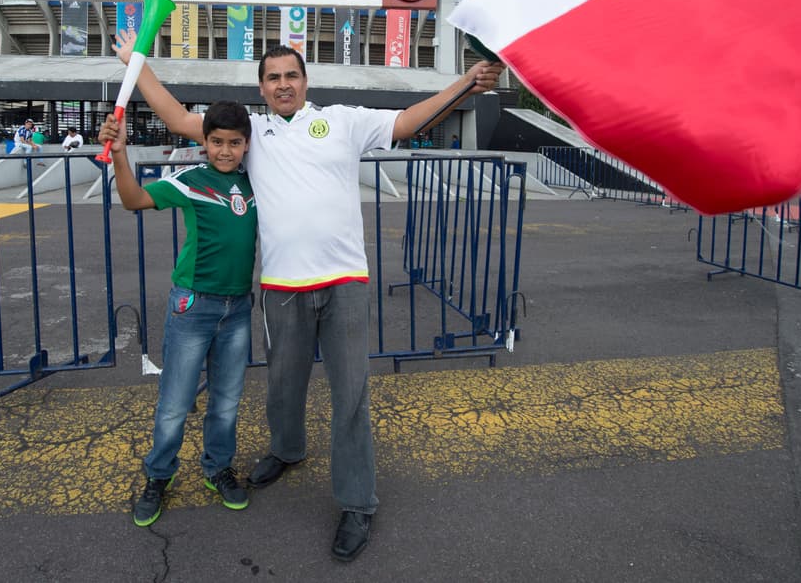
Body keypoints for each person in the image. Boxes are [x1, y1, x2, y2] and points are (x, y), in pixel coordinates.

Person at [113, 30, 504, 561]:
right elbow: (182, 118)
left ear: (305, 80)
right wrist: (138, 63)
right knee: (283, 387)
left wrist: (463, 85)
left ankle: (357, 502)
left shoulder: (342, 120)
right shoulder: (252, 134)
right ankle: (287, 450)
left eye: (290, 75)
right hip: (282, 287)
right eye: (272, 78)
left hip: (343, 282)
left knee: (350, 397)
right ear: (261, 87)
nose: (282, 85)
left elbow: (408, 120)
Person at [101, 101, 258, 528]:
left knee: (226, 401)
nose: (225, 151)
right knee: (175, 402)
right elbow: (134, 200)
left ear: (246, 145)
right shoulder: (189, 180)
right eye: (217, 142)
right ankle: (158, 475)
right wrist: (119, 152)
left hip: (238, 308)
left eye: (235, 143)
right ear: (203, 142)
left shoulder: (255, 183)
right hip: (193, 307)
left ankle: (217, 468)